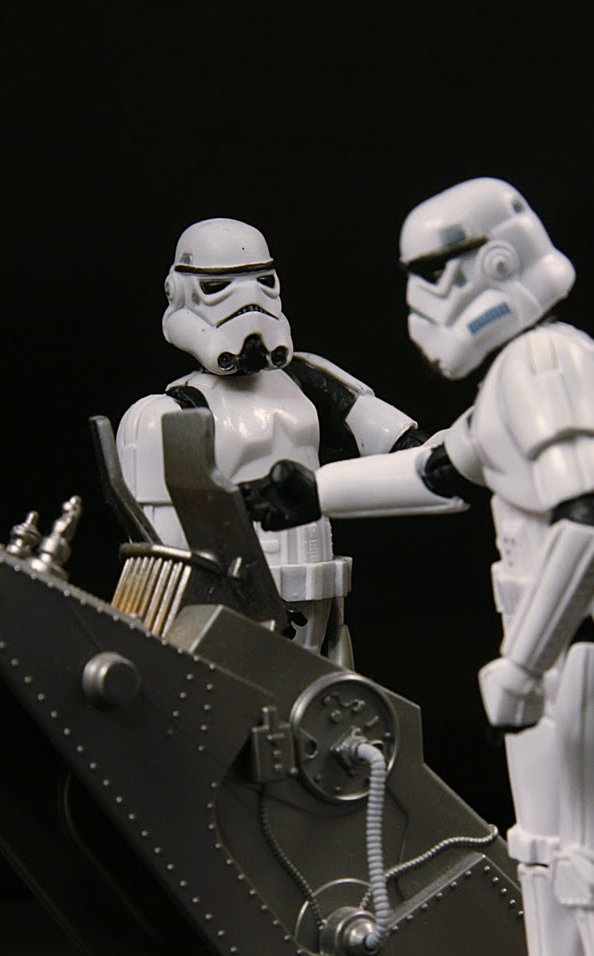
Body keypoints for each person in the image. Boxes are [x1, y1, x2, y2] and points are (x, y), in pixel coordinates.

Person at [243, 178, 594, 956]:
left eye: (432, 274)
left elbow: (589, 521)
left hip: (592, 644)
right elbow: (440, 471)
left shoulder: (544, 367)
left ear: (492, 264)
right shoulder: (519, 375)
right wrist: (315, 490)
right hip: (556, 645)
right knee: (542, 858)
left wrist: (526, 662)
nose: (420, 301)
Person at [117, 218, 424, 665]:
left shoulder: (307, 380)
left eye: (263, 282)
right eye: (219, 287)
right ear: (180, 293)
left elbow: (409, 450)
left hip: (321, 590)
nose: (250, 302)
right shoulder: (167, 412)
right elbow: (162, 558)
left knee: (325, 692)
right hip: (232, 602)